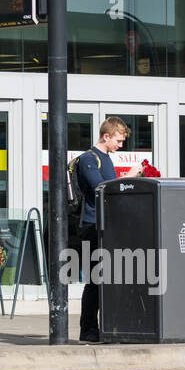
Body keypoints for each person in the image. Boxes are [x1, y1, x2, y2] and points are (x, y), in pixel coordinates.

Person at [75, 117, 142, 343]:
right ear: (106, 136)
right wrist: (131, 176)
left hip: (106, 225)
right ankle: (88, 330)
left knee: (109, 279)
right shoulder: (88, 159)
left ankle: (107, 326)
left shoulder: (106, 159)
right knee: (95, 281)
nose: (120, 145)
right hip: (92, 226)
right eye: (119, 140)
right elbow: (101, 188)